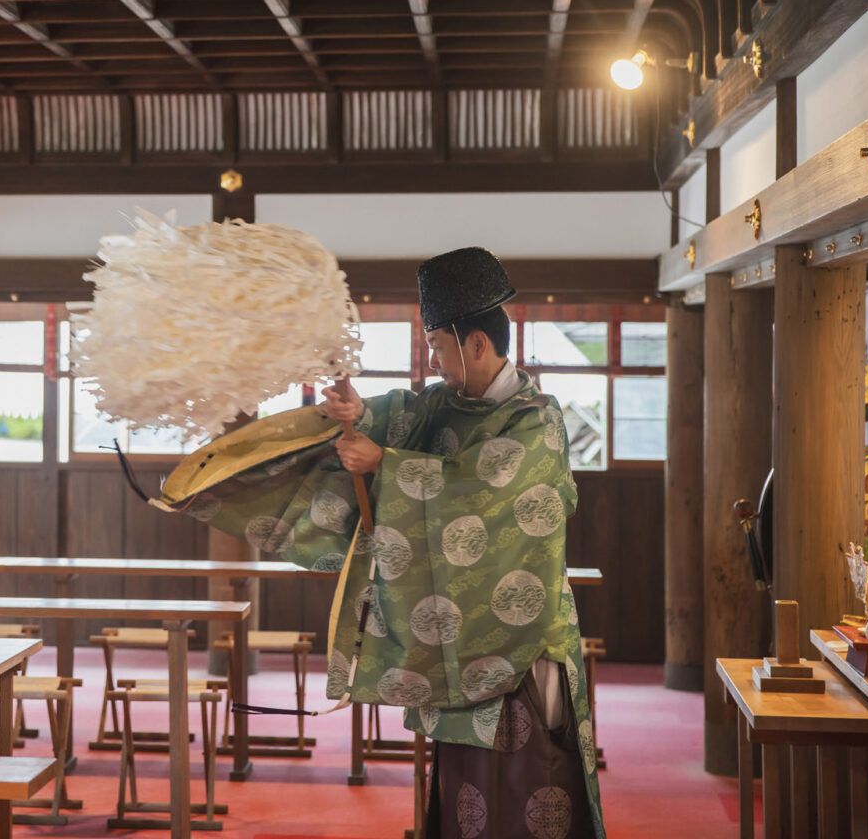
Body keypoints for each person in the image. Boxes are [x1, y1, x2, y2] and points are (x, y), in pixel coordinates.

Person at [154, 247, 604, 838]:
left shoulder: (535, 421)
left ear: (474, 345)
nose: (434, 361)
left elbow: (483, 494)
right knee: (463, 792)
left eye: (439, 347)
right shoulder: (446, 402)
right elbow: (398, 417)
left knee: (528, 787)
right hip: (457, 648)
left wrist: (385, 466)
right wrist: (358, 412)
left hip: (523, 646)